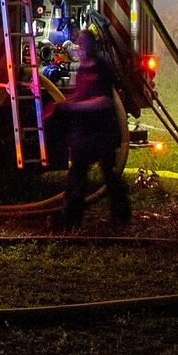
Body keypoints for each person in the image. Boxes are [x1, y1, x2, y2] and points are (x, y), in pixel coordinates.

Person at [53, 29, 131, 230]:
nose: (78, 50)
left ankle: (121, 216)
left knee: (109, 175)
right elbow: (83, 96)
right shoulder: (83, 69)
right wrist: (68, 105)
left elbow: (103, 101)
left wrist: (75, 107)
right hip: (85, 132)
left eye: (81, 45)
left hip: (102, 131)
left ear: (90, 47)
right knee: (77, 176)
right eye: (78, 46)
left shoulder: (102, 68)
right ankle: (71, 220)